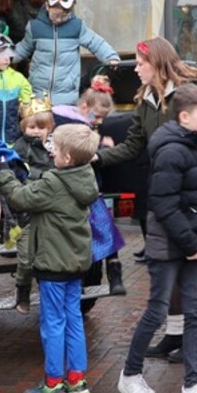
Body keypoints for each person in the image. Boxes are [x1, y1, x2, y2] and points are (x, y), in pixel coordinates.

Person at [95, 37, 197, 358]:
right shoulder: (145, 98)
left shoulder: (187, 96)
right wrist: (96, 157)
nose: (136, 69)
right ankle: (174, 334)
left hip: (189, 194)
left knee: (194, 265)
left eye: (141, 63)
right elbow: (134, 145)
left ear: (157, 63)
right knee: (167, 265)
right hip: (159, 192)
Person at [117, 84, 197, 393]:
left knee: (195, 313)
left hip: (193, 244)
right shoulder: (171, 152)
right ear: (184, 117)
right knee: (157, 310)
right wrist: (191, 243)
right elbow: (163, 204)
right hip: (169, 245)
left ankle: (193, 384)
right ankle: (130, 375)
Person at [0, 124, 101, 393]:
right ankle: (77, 381)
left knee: (53, 323)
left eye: (55, 147)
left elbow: (19, 198)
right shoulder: (86, 177)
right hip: (75, 264)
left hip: (53, 265)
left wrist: (4, 172)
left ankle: (53, 384)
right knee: (73, 320)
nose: (50, 151)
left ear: (67, 157)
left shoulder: (54, 183)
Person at [52, 76, 126, 296]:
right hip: (79, 188)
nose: (99, 121)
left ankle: (113, 271)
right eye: (97, 115)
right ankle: (112, 271)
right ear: (84, 107)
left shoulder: (76, 124)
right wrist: (104, 149)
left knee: (103, 225)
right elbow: (82, 155)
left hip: (87, 187)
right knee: (101, 227)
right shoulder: (77, 128)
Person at [13, 0, 120, 106]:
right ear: (47, 6)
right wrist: (7, 57)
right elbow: (23, 48)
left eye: (63, 16)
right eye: (55, 15)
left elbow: (95, 42)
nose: (58, 19)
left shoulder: (77, 27)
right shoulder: (35, 27)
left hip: (67, 93)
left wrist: (110, 57)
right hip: (39, 92)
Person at [9, 97, 58, 314]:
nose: (37, 131)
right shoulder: (19, 149)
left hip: (50, 212)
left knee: (52, 256)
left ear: (50, 128)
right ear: (23, 127)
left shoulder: (55, 147)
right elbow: (18, 177)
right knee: (27, 257)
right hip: (27, 214)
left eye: (42, 127)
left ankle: (50, 294)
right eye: (32, 127)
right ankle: (23, 289)